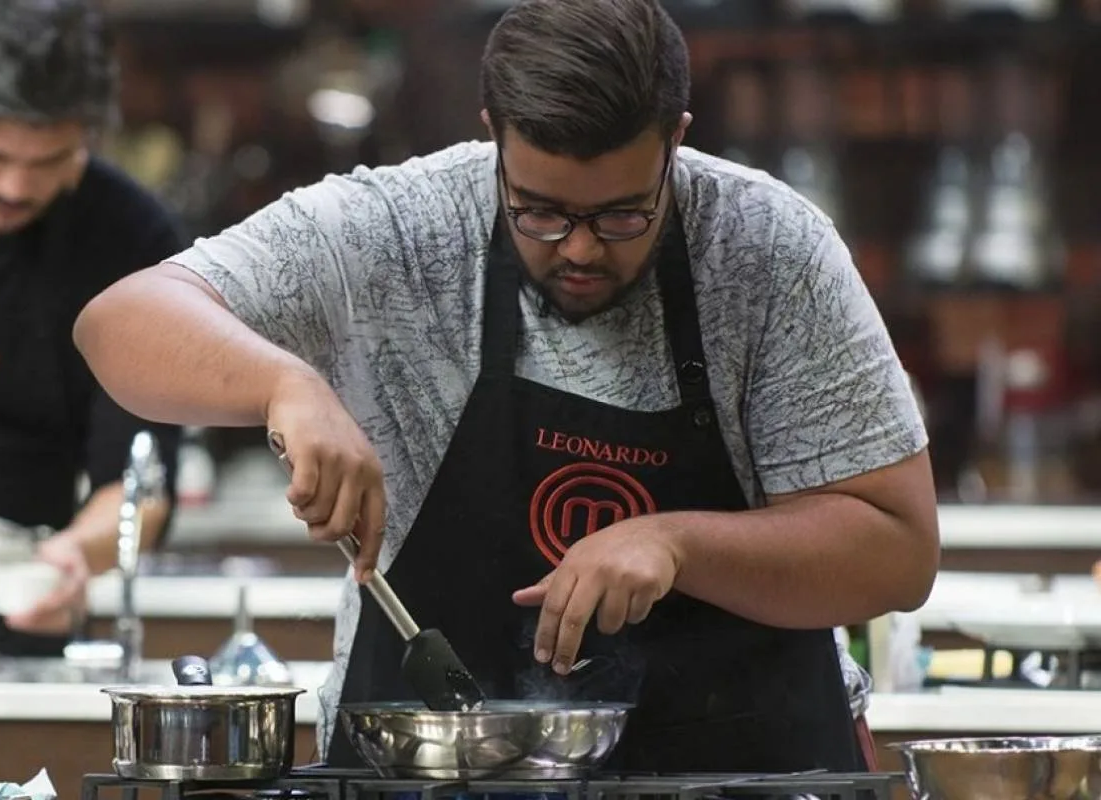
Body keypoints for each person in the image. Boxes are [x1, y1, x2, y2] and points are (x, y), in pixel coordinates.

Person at [74, 0, 939, 774]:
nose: (580, 249)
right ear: (494, 136)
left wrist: (680, 546)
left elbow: (898, 552)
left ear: (676, 138)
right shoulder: (401, 228)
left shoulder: (769, 249)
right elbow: (119, 321)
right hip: (438, 769)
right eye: (539, 211)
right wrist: (282, 383)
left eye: (623, 214)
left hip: (747, 768)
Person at [0, 0, 182, 658]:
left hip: (7, 626)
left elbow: (143, 491)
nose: (14, 186)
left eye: (49, 160)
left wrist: (72, 557)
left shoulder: (129, 237)